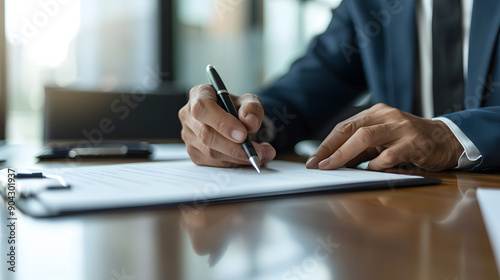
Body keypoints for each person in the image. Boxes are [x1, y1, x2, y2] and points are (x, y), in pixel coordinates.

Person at [179, 0, 500, 172]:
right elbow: (307, 89)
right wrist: (245, 124)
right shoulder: (369, 5)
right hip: (409, 216)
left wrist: (452, 136)